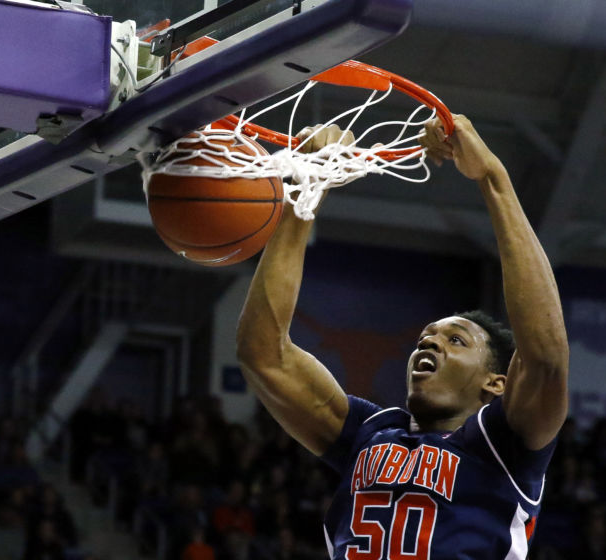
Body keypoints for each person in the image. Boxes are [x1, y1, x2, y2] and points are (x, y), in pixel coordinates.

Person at [235, 114, 569, 559]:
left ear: (497, 382)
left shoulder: (504, 445)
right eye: (427, 337)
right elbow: (264, 355)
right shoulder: (371, 431)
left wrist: (492, 177)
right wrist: (308, 188)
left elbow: (544, 358)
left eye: (456, 341)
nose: (428, 342)